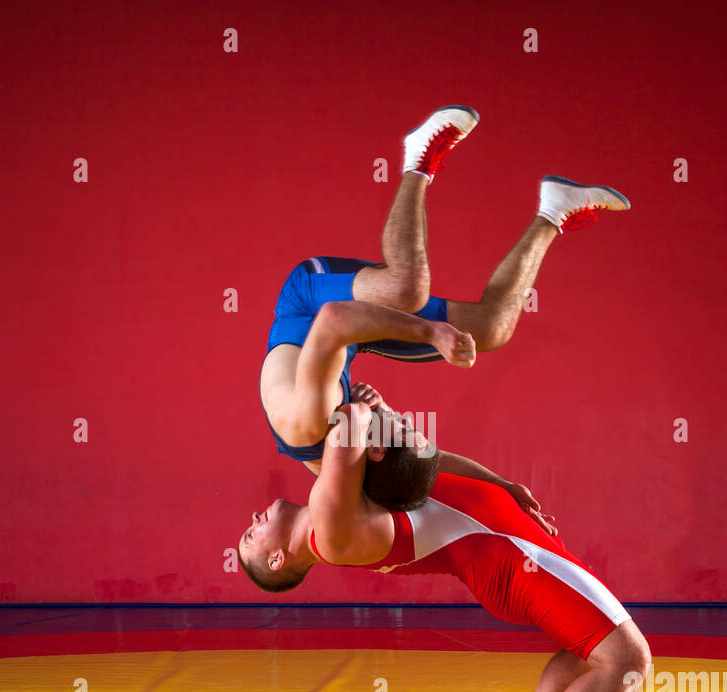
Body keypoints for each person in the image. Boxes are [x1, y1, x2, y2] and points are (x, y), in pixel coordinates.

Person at [236, 400, 651, 692]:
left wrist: (503, 484)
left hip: (512, 548)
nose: (253, 518)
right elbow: (349, 418)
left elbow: (424, 460)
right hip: (513, 558)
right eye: (251, 535)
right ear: (277, 561)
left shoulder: (335, 493)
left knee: (588, 648)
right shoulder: (331, 525)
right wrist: (361, 402)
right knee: (626, 658)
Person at [261, 105, 631, 472]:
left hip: (311, 304)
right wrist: (504, 485)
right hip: (347, 337)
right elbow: (434, 461)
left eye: (398, 423)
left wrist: (430, 331)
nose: (391, 411)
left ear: (374, 449)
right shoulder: (355, 453)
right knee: (491, 328)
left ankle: (418, 160)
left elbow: (333, 318)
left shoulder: (311, 425)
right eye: (401, 418)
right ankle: (555, 211)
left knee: (406, 288)